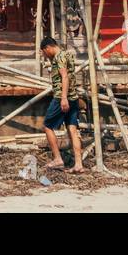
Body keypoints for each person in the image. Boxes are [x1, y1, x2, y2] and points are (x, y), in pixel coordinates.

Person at [40, 37, 84, 173]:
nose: (44, 56)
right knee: (72, 130)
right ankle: (78, 164)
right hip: (73, 97)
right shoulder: (68, 54)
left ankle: (58, 159)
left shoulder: (59, 57)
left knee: (47, 126)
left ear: (48, 47)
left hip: (61, 98)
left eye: (44, 52)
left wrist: (63, 98)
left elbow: (64, 76)